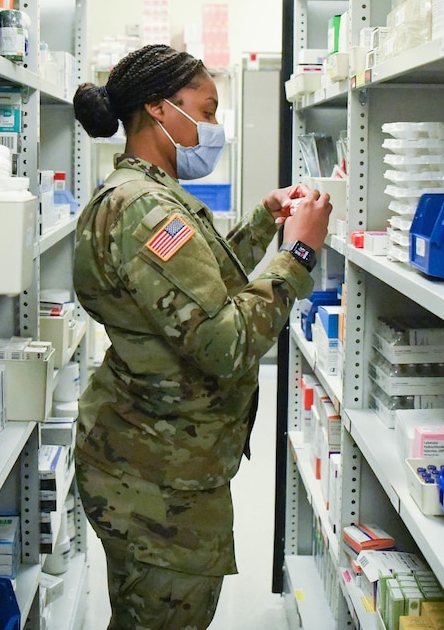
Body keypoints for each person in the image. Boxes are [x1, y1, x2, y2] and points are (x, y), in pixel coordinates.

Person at [71, 44, 333, 630]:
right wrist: (298, 253)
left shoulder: (145, 194)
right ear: (162, 110)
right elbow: (225, 341)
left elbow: (192, 291)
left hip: (155, 462)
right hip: (155, 481)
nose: (214, 128)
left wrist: (265, 222)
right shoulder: (146, 209)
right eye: (208, 111)